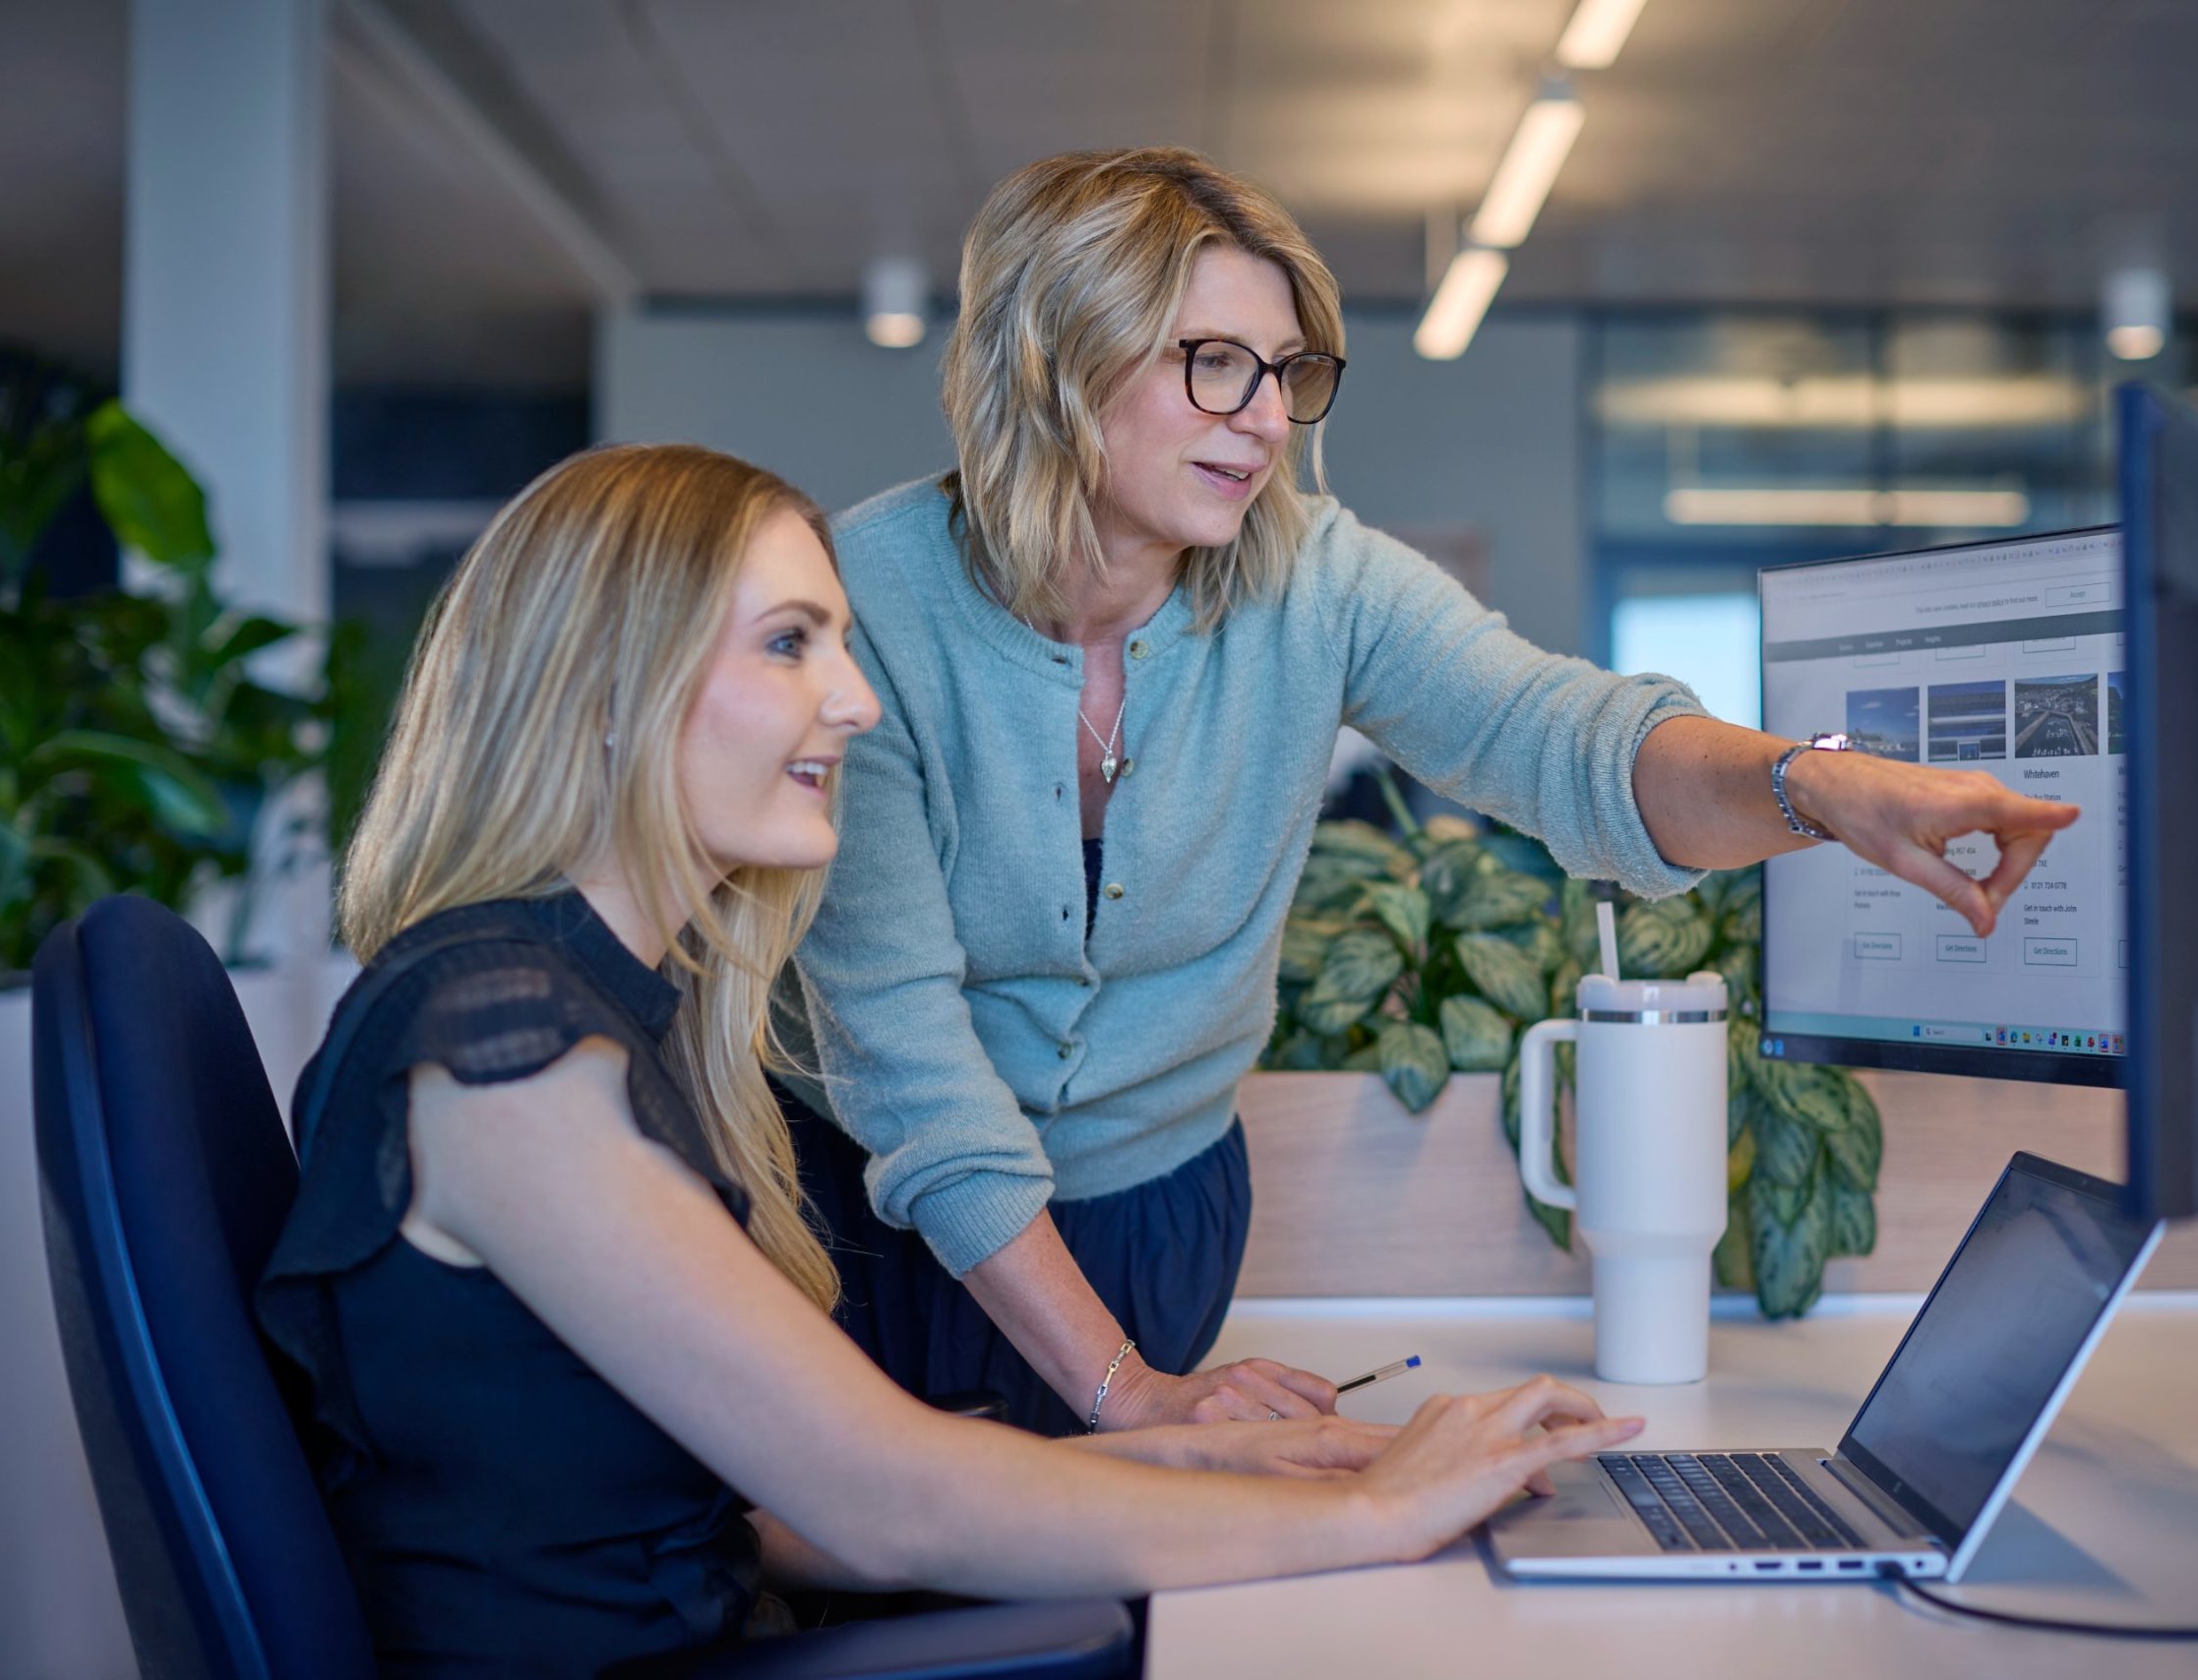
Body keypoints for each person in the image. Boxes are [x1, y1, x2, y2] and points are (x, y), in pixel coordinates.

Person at [256, 443, 1640, 1678]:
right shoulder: (503, 1053)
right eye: (792, 643)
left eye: (843, 642)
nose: (857, 701)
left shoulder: (611, 1014)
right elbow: (882, 1503)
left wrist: (1203, 1453)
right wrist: (1377, 1514)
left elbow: (770, 1519)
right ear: (608, 688)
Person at [783, 147, 2082, 1437]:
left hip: (1153, 1224)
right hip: (880, 1228)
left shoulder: (1317, 581)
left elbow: (1561, 736)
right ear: (1057, 365)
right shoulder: (869, 603)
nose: (1265, 415)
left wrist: (1819, 787)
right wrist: (1124, 1390)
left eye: (1288, 373)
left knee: (1144, 1623)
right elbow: (905, 1056)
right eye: (1213, 361)